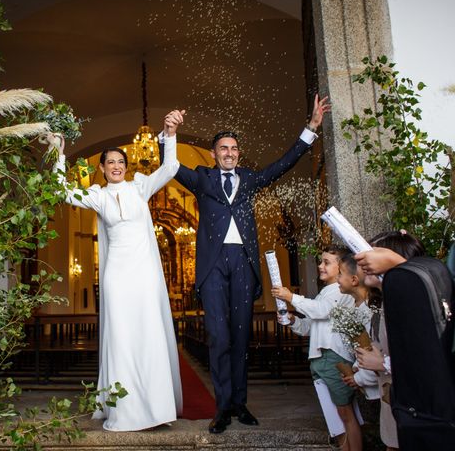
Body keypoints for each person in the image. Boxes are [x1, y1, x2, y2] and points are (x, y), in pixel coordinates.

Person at [159, 95, 330, 433]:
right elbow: (171, 167)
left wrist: (310, 128)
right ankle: (222, 408)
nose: (230, 153)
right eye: (224, 148)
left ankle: (240, 404)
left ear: (238, 153)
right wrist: (169, 134)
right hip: (212, 268)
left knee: (240, 338)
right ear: (214, 153)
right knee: (219, 338)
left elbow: (282, 164)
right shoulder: (202, 179)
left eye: (234, 148)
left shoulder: (250, 179)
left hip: (243, 264)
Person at [47, 111, 183, 431]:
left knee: (147, 336)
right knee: (121, 338)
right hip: (117, 276)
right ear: (102, 168)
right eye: (110, 162)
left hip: (145, 274)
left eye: (121, 161)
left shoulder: (140, 188)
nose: (117, 165)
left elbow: (171, 167)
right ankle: (125, 409)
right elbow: (61, 191)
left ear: (127, 166)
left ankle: (155, 407)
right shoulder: (96, 196)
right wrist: (58, 154)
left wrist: (170, 134)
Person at [272, 246, 361, 450]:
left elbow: (322, 311)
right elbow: (310, 327)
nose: (320, 265)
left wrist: (291, 298)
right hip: (321, 358)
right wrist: (293, 320)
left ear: (342, 268)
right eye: (321, 261)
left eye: (326, 262)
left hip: (334, 357)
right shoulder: (325, 293)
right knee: (336, 418)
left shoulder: (341, 291)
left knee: (346, 414)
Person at [354, 231, 426, 450]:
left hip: (413, 408)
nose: (364, 261)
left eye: (374, 254)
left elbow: (425, 359)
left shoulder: (413, 304)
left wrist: (382, 363)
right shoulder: (386, 303)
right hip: (392, 405)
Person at [336, 253, 379, 403]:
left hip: (381, 382)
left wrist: (359, 378)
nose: (337, 279)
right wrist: (355, 369)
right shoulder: (355, 307)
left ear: (354, 280)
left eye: (340, 274)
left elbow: (376, 350)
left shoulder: (371, 310)